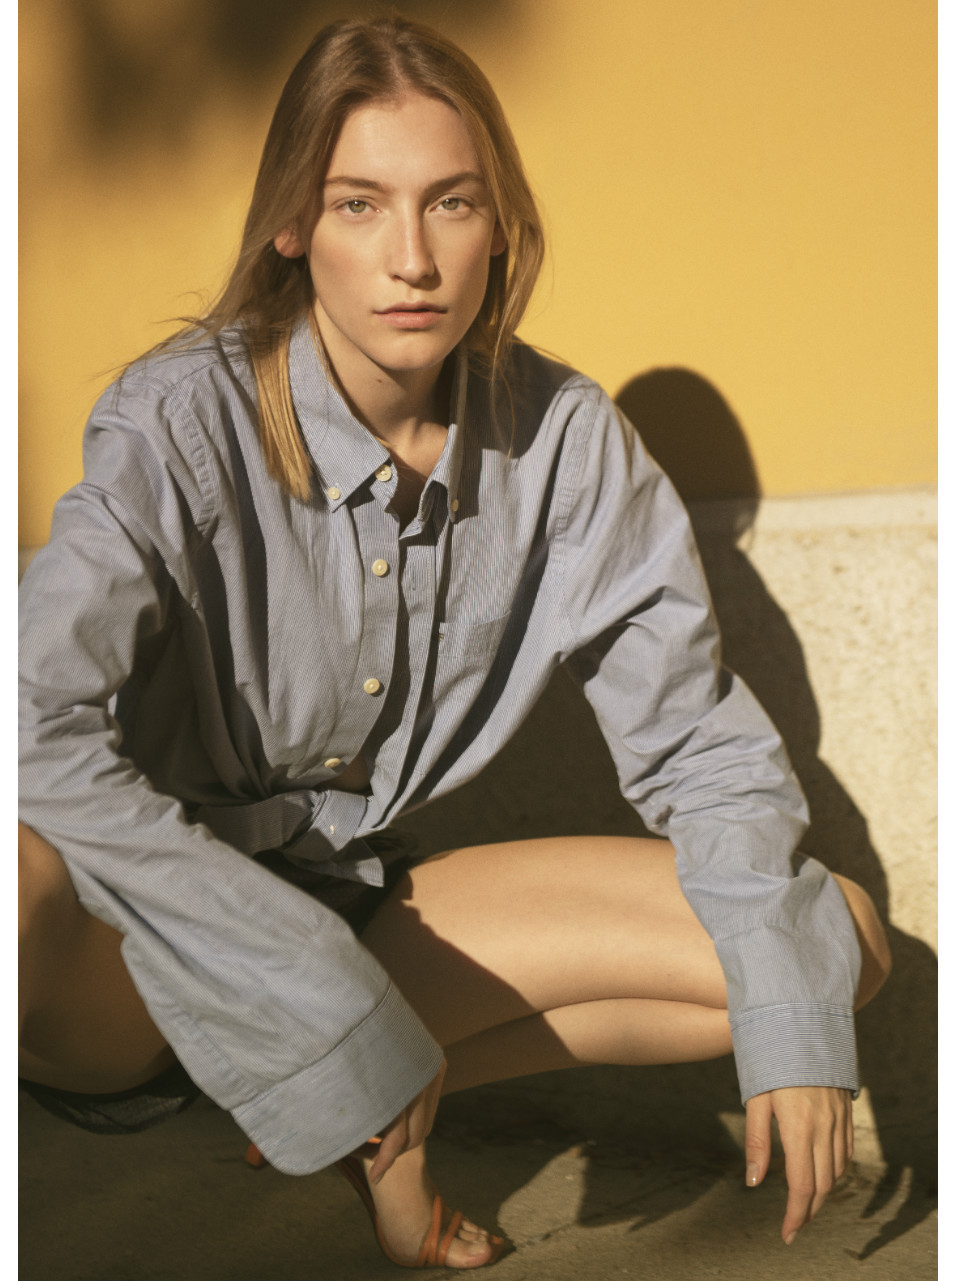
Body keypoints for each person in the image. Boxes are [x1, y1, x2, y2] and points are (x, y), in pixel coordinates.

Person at [19, 15, 891, 1271]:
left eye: (452, 203)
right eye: (359, 204)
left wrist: (792, 1037)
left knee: (827, 944)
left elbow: (701, 748)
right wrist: (294, 977)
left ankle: (336, 1105)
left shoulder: (563, 442)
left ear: (501, 224)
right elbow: (30, 725)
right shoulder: (182, 417)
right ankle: (332, 1079)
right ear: (293, 225)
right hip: (140, 955)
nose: (413, 259)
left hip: (359, 910)